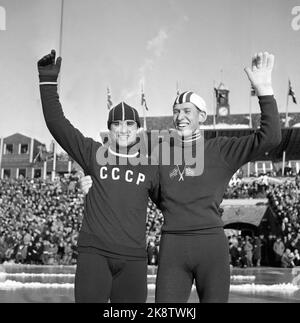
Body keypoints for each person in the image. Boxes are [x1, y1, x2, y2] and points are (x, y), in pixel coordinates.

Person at [80, 51, 282, 302]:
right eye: (176, 111)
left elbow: (271, 137)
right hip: (173, 249)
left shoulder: (221, 149)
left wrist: (264, 89)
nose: (180, 117)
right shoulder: (161, 154)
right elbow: (136, 186)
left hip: (211, 248)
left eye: (187, 110)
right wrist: (93, 182)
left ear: (202, 116)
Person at [37, 50, 159, 303]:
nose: (123, 129)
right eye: (117, 124)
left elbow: (173, 200)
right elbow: (58, 124)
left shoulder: (151, 165)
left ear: (138, 129)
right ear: (109, 128)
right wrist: (48, 81)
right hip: (95, 254)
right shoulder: (94, 153)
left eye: (129, 124)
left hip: (134, 259)